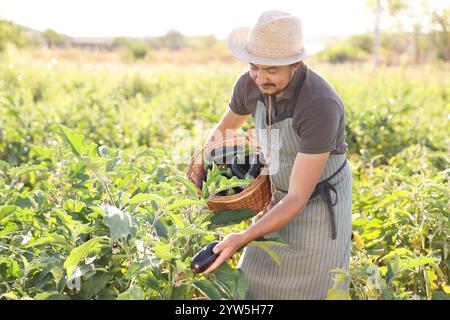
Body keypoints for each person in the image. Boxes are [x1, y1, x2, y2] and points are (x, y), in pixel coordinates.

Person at [202, 10, 352, 300]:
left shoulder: (319, 104)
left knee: (314, 288)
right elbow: (223, 133)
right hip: (275, 199)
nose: (260, 77)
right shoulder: (249, 83)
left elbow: (297, 197)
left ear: (295, 63)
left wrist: (243, 237)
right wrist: (207, 175)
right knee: (253, 280)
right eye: (254, 66)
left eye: (271, 69)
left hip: (319, 204)